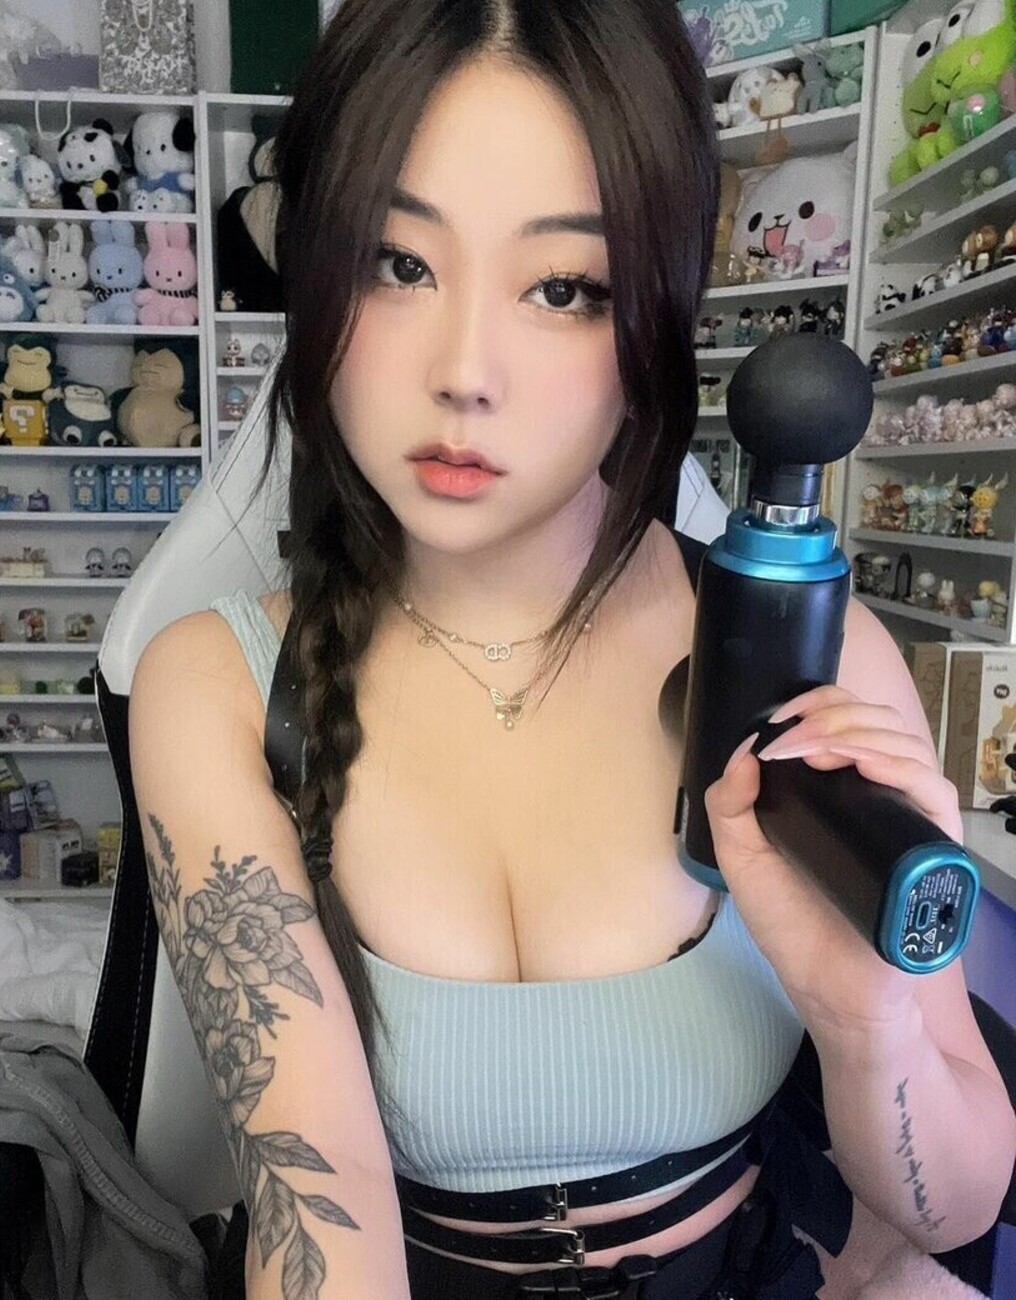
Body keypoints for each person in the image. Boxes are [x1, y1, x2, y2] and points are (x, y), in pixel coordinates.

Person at [126, 1, 1016, 1296]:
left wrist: (864, 1021)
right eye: (397, 263)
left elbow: (958, 1203)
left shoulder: (820, 664)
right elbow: (319, 1216)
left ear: (655, 308)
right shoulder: (215, 688)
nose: (464, 372)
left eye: (561, 288)